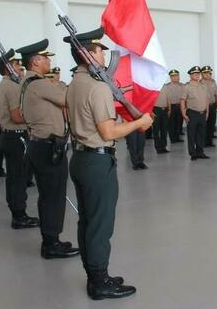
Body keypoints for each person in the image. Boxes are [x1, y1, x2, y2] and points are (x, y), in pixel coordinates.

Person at [65, 27, 152, 300]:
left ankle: (95, 274)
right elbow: (109, 132)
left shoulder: (74, 84)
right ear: (88, 54)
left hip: (80, 158)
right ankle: (100, 282)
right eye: (100, 50)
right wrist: (140, 122)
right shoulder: (97, 87)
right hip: (96, 161)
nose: (104, 54)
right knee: (100, 224)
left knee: (88, 221)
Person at [17, 38, 79, 258]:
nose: (48, 61)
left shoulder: (26, 83)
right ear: (35, 62)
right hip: (47, 147)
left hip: (39, 145)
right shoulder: (40, 83)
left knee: (48, 195)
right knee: (53, 195)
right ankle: (51, 244)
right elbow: (68, 99)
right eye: (45, 58)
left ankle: (51, 240)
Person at [0, 49, 39, 229]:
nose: (19, 66)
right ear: (8, 67)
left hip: (9, 136)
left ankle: (18, 213)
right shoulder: (11, 87)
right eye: (15, 64)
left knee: (13, 177)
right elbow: (16, 116)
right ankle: (19, 216)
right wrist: (35, 118)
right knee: (18, 178)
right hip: (16, 136)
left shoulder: (3, 85)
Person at [181, 66, 210, 160]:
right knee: (191, 134)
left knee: (201, 134)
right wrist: (184, 114)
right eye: (195, 74)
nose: (197, 75)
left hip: (202, 113)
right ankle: (192, 153)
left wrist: (207, 112)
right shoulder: (187, 87)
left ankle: (200, 152)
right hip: (192, 113)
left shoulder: (203, 86)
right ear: (190, 75)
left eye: (198, 74)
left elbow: (206, 100)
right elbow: (182, 101)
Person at [201, 66, 217, 147]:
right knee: (204, 125)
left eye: (209, 73)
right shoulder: (200, 83)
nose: (207, 75)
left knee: (212, 124)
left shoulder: (213, 82)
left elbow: (216, 94)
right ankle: (204, 142)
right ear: (202, 74)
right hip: (204, 106)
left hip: (212, 105)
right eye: (205, 73)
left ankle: (209, 141)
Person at [153, 73, 172, 154]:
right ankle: (158, 147)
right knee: (156, 130)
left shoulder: (165, 86)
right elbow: (150, 100)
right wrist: (151, 111)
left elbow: (168, 98)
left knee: (164, 129)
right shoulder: (153, 86)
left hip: (165, 110)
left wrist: (169, 109)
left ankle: (164, 146)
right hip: (156, 110)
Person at [167, 70, 185, 143]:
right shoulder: (167, 86)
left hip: (180, 106)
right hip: (171, 106)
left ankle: (177, 137)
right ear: (170, 77)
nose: (175, 78)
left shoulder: (182, 86)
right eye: (173, 76)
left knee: (179, 122)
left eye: (177, 76)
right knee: (171, 123)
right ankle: (172, 138)